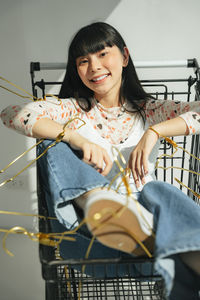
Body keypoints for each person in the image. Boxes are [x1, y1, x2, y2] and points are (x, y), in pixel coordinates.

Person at [1, 22, 200, 299]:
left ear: (125, 57)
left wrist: (156, 130)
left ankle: (184, 249)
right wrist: (75, 138)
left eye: (103, 54)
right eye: (84, 60)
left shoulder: (150, 111)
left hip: (148, 249)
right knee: (51, 139)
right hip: (88, 240)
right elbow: (12, 113)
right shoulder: (71, 109)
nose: (94, 66)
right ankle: (98, 202)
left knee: (158, 190)